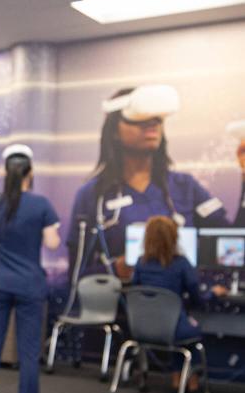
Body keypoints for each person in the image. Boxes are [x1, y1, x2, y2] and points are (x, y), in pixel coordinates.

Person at [68, 85, 244, 280]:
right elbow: (75, 276)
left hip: (180, 298)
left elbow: (234, 243)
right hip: (123, 298)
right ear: (114, 130)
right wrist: (114, 269)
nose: (152, 124)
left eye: (157, 119)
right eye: (140, 118)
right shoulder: (93, 195)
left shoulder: (186, 187)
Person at [0, 144, 60, 393]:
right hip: (29, 285)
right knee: (28, 356)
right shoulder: (41, 204)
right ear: (30, 173)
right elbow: (52, 243)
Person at [130, 215, 203, 391]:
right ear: (174, 237)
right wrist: (213, 294)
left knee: (178, 325)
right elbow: (196, 294)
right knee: (190, 330)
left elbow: (135, 291)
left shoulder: (140, 262)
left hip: (143, 328)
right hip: (172, 329)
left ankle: (177, 377)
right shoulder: (181, 264)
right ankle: (192, 380)